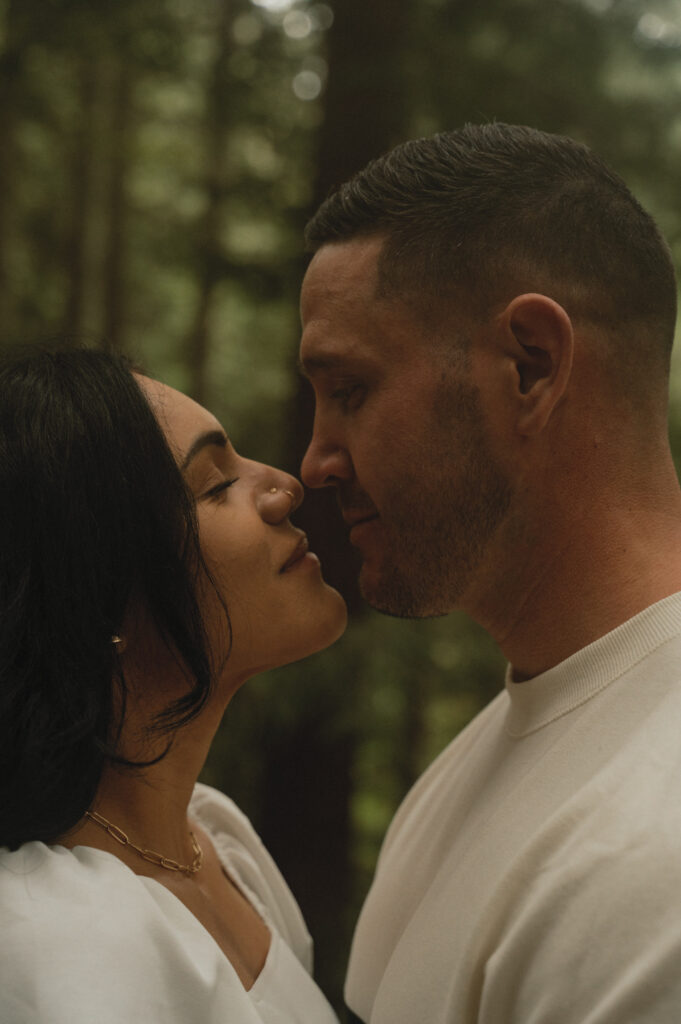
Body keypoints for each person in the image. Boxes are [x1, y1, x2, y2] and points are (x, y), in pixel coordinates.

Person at [298, 122, 681, 1023]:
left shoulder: (655, 852)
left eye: (349, 390)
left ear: (529, 367)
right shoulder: (463, 777)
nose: (314, 460)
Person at [0, 344, 347, 1023]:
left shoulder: (219, 842)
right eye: (216, 484)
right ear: (98, 590)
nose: (284, 485)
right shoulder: (61, 940)